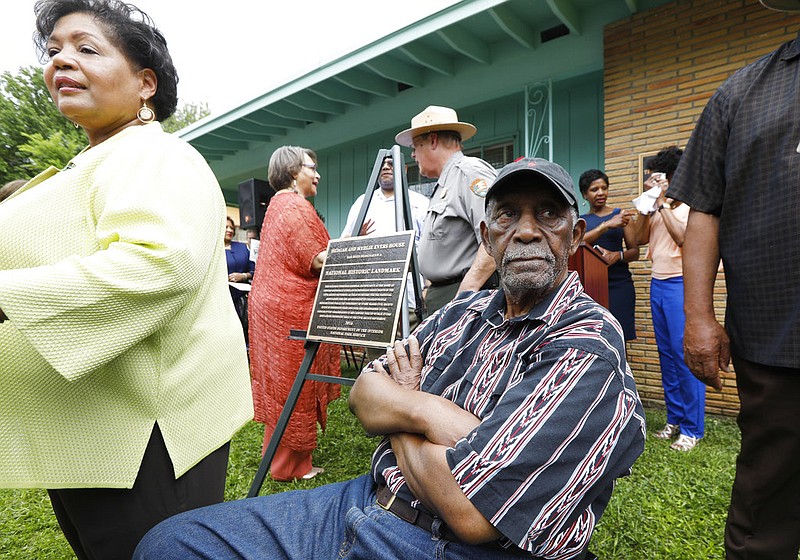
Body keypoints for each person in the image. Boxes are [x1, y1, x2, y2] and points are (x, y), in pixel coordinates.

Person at [134, 157, 646, 560]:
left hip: (458, 547)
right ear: (487, 238)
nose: (528, 231)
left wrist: (402, 405)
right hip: (362, 501)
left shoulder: (587, 342)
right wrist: (429, 415)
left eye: (549, 215)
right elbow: (363, 395)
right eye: (508, 214)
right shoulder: (465, 311)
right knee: (168, 545)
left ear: (575, 236)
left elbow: (470, 511)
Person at [0, 1, 253, 558]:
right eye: (53, 50)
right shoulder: (103, 159)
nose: (62, 60)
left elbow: (159, 264)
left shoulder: (154, 153)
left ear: (145, 83)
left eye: (87, 48)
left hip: (144, 440)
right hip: (96, 430)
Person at [667, 0, 800, 555]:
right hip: (777, 340)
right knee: (766, 500)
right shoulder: (744, 91)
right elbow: (705, 209)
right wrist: (699, 316)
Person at [248, 145, 340, 482]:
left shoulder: (277, 204)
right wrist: (358, 252)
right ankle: (289, 466)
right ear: (292, 171)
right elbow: (315, 260)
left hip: (272, 306)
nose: (317, 174)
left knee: (283, 383)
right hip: (289, 308)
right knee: (295, 384)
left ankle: (285, 459)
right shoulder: (294, 205)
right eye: (311, 167)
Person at [395, 105, 498, 313]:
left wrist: (466, 292)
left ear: (432, 140)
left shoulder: (469, 173)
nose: (413, 155)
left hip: (467, 298)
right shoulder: (447, 181)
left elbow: (497, 235)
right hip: (445, 295)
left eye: (415, 147)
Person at [636, 146, 705, 452]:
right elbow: (637, 239)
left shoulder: (689, 205)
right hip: (657, 284)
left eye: (666, 176)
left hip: (680, 284)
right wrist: (645, 206)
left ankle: (692, 428)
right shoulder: (657, 207)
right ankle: (675, 419)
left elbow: (682, 238)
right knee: (666, 355)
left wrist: (662, 202)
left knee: (685, 356)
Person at [341, 155, 429, 343]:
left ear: (404, 169)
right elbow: (344, 245)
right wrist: (356, 238)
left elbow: (430, 249)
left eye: (391, 163)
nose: (386, 167)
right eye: (381, 164)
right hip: (372, 300)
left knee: (412, 353)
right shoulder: (362, 203)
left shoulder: (420, 203)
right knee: (376, 360)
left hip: (412, 299)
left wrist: (427, 287)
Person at [579, 169, 639, 340]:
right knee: (593, 336)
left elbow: (635, 252)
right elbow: (575, 244)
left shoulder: (621, 216)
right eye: (594, 189)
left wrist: (617, 256)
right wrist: (606, 225)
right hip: (588, 287)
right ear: (584, 194)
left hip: (619, 285)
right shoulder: (580, 221)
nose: (601, 193)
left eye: (604, 188)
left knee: (619, 336)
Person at [224, 216, 254, 337]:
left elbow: (254, 270)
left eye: (231, 228)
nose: (230, 230)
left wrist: (243, 276)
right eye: (226, 227)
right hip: (224, 300)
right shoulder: (213, 249)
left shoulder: (242, 248)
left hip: (242, 301)